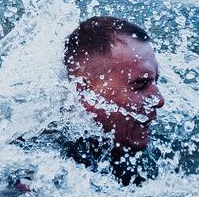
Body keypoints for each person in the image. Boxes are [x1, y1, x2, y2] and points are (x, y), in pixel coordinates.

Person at [54, 16, 167, 184]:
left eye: (155, 81)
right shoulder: (41, 163)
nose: (159, 100)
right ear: (84, 91)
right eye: (140, 85)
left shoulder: (162, 151)